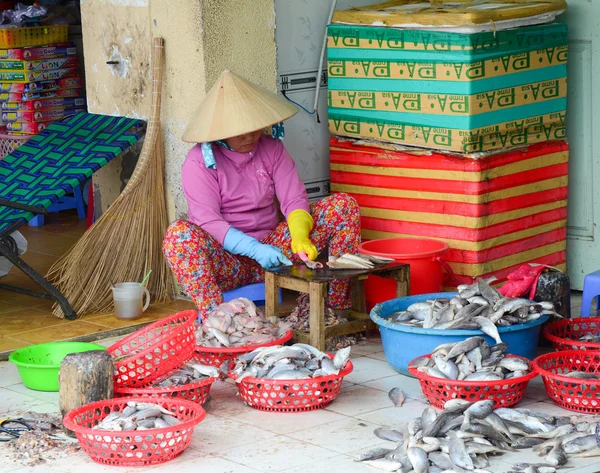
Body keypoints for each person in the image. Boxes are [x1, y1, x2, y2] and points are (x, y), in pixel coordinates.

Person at [163, 70, 360, 317]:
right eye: (240, 132)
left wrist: (299, 236)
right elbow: (208, 221)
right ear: (220, 132)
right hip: (227, 261)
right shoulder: (199, 161)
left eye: (255, 128)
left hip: (276, 252)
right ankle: (218, 321)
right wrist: (254, 249)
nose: (250, 137)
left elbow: (294, 198)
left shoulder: (271, 148)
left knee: (343, 205)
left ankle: (334, 310)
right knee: (178, 236)